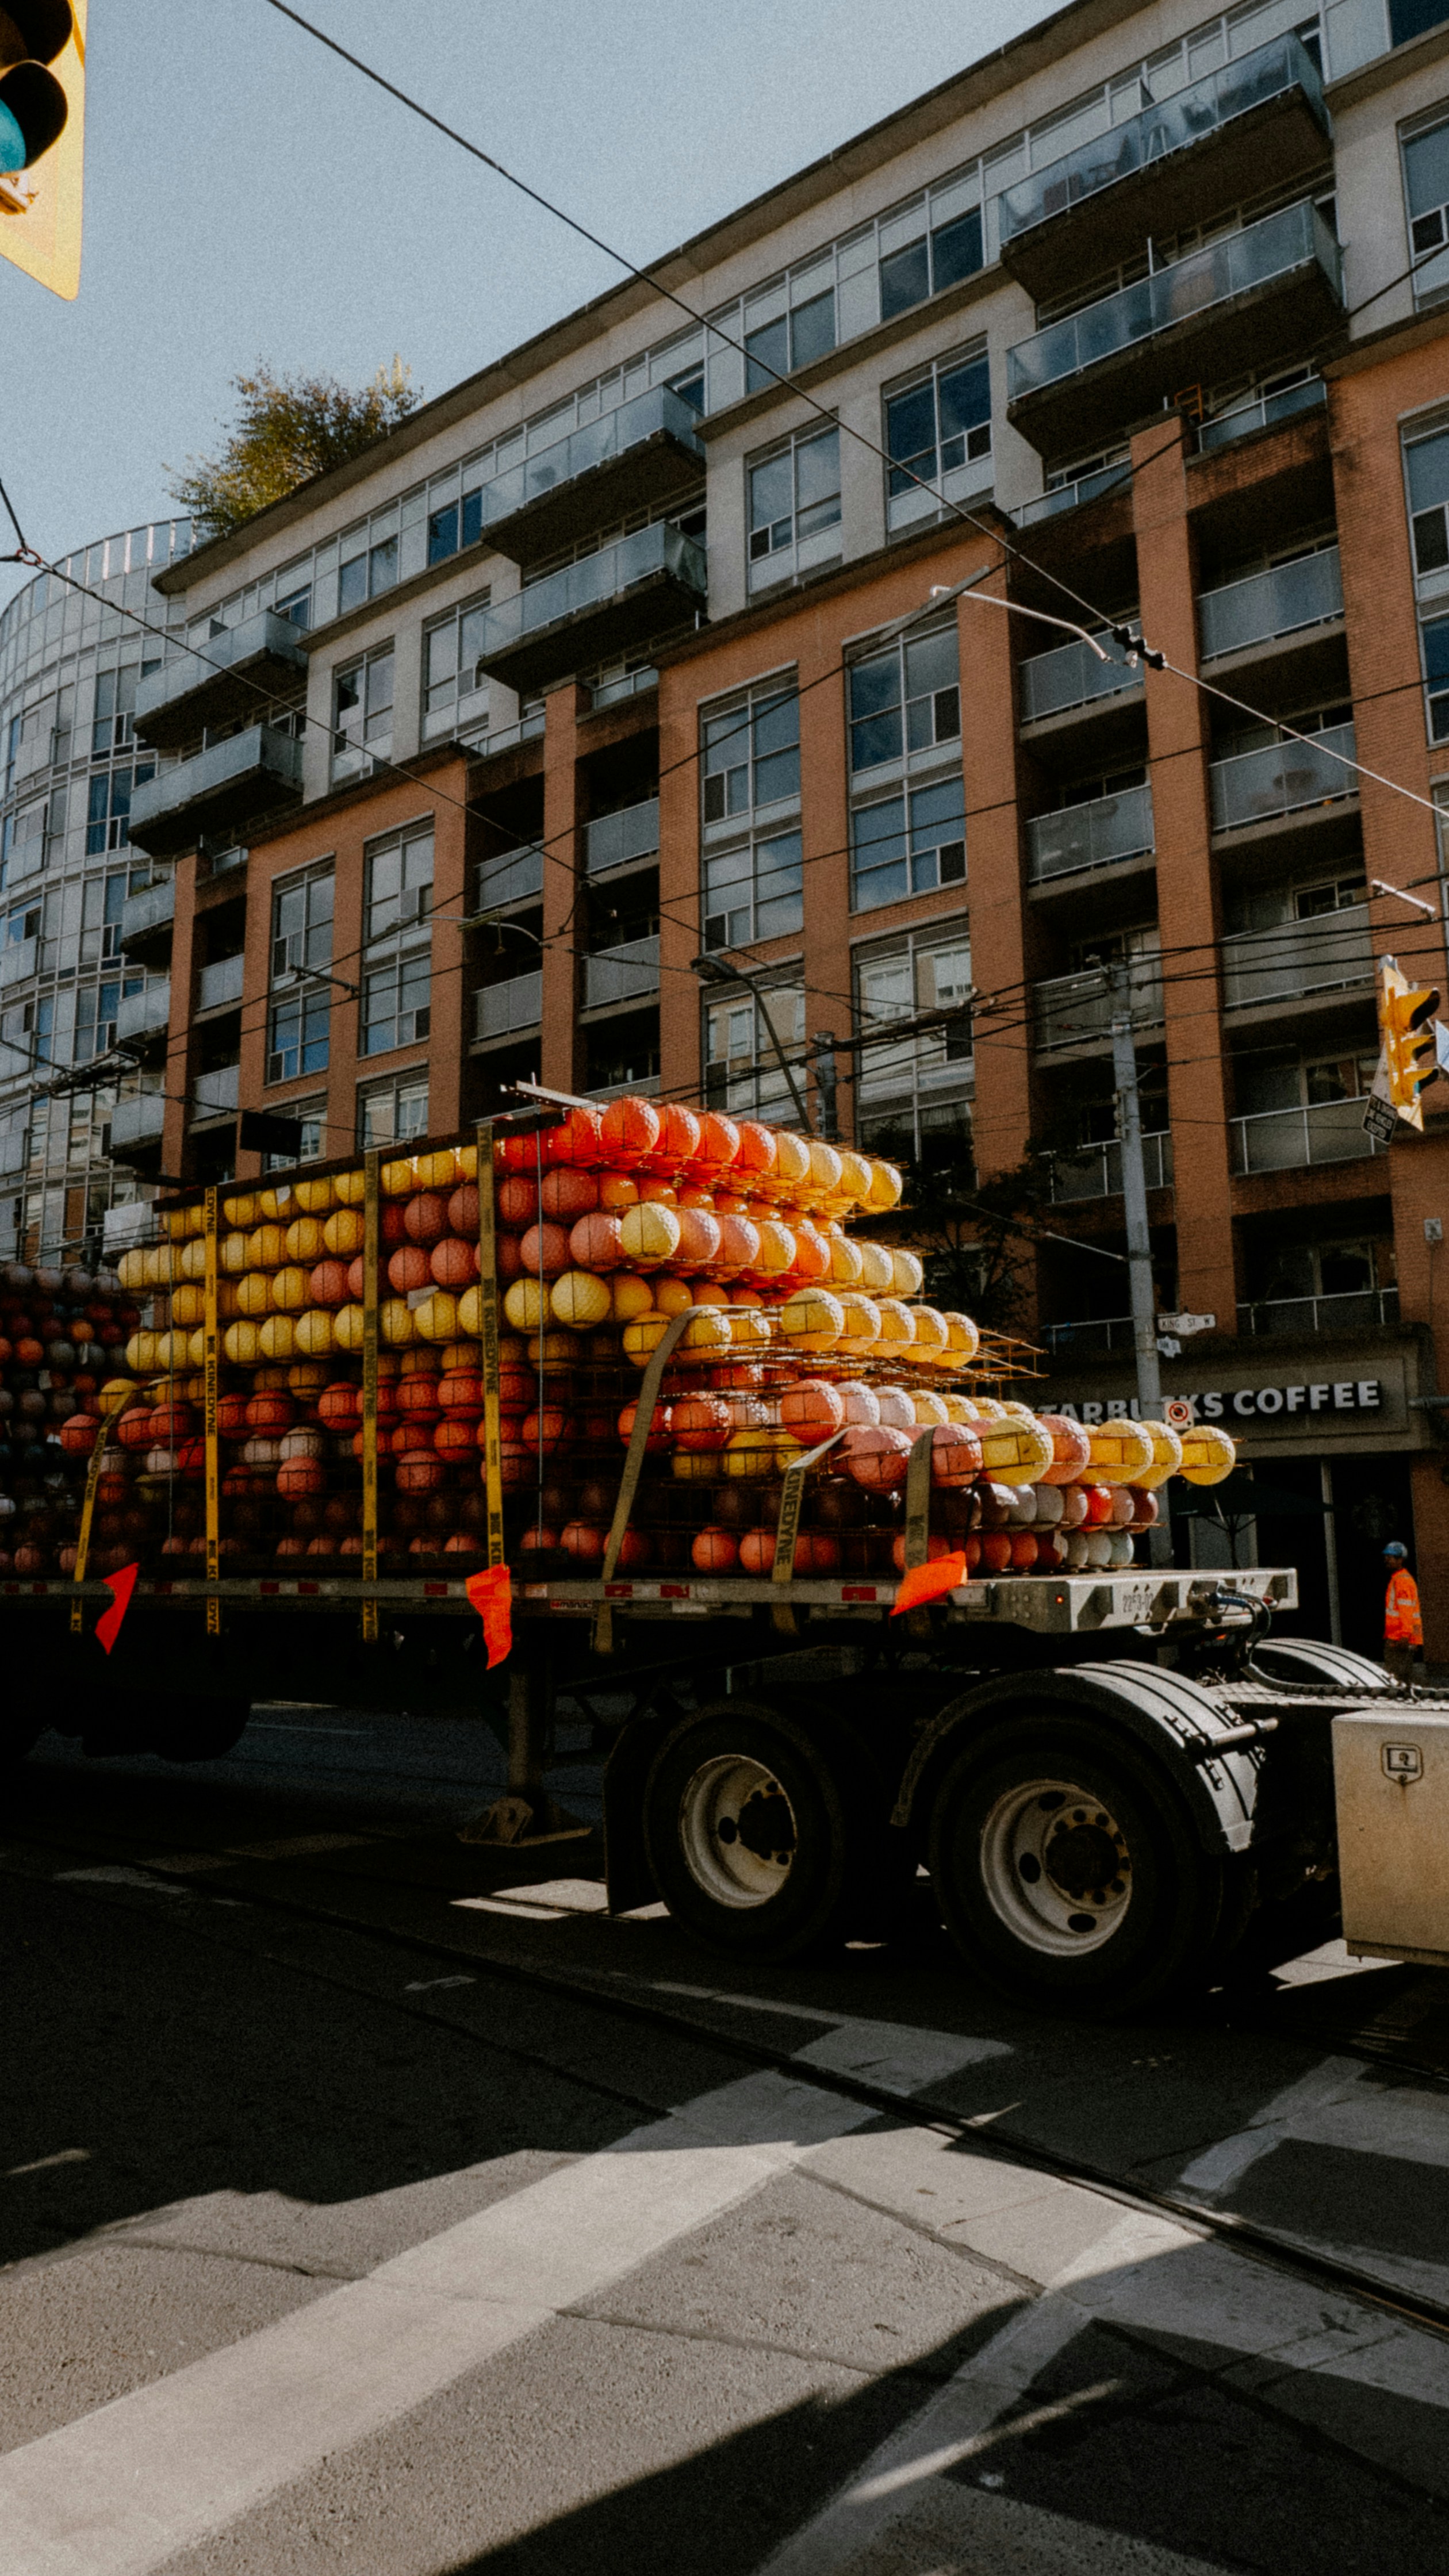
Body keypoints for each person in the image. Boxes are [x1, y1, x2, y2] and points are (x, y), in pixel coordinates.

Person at [1382, 1540, 1423, 1684]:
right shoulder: (1399, 1579)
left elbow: (1406, 1611)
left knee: (1396, 1679)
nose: (1387, 1560)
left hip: (1399, 1639)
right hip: (1400, 1638)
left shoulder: (1402, 1581)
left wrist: (1405, 1636)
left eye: (1391, 1557)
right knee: (1402, 1677)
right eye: (1386, 1557)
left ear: (1401, 1560)